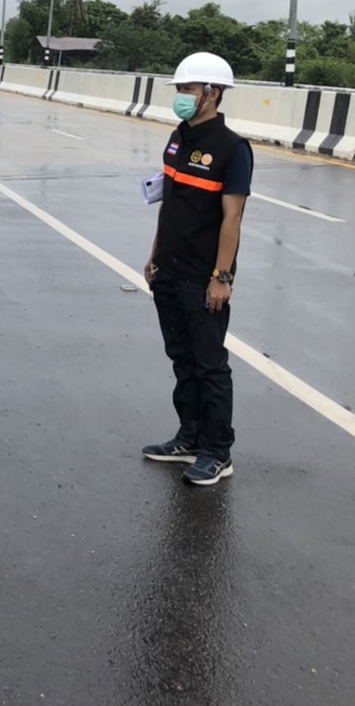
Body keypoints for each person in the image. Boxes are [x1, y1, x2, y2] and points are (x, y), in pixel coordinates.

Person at [141, 52, 253, 486]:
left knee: (210, 366)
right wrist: (154, 255)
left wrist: (222, 277)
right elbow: (168, 203)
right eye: (180, 89)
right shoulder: (178, 138)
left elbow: (232, 217)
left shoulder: (232, 148)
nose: (181, 97)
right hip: (168, 270)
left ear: (213, 93)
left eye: (188, 89)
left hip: (203, 278)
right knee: (181, 360)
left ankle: (217, 451)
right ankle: (188, 438)